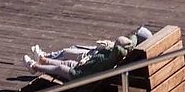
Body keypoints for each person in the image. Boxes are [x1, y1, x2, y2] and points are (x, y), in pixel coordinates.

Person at [23, 27, 152, 82]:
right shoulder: (124, 53)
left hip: (85, 76)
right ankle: (43, 59)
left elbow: (119, 46)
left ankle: (35, 66)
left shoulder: (116, 55)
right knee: (66, 62)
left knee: (62, 65)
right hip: (86, 66)